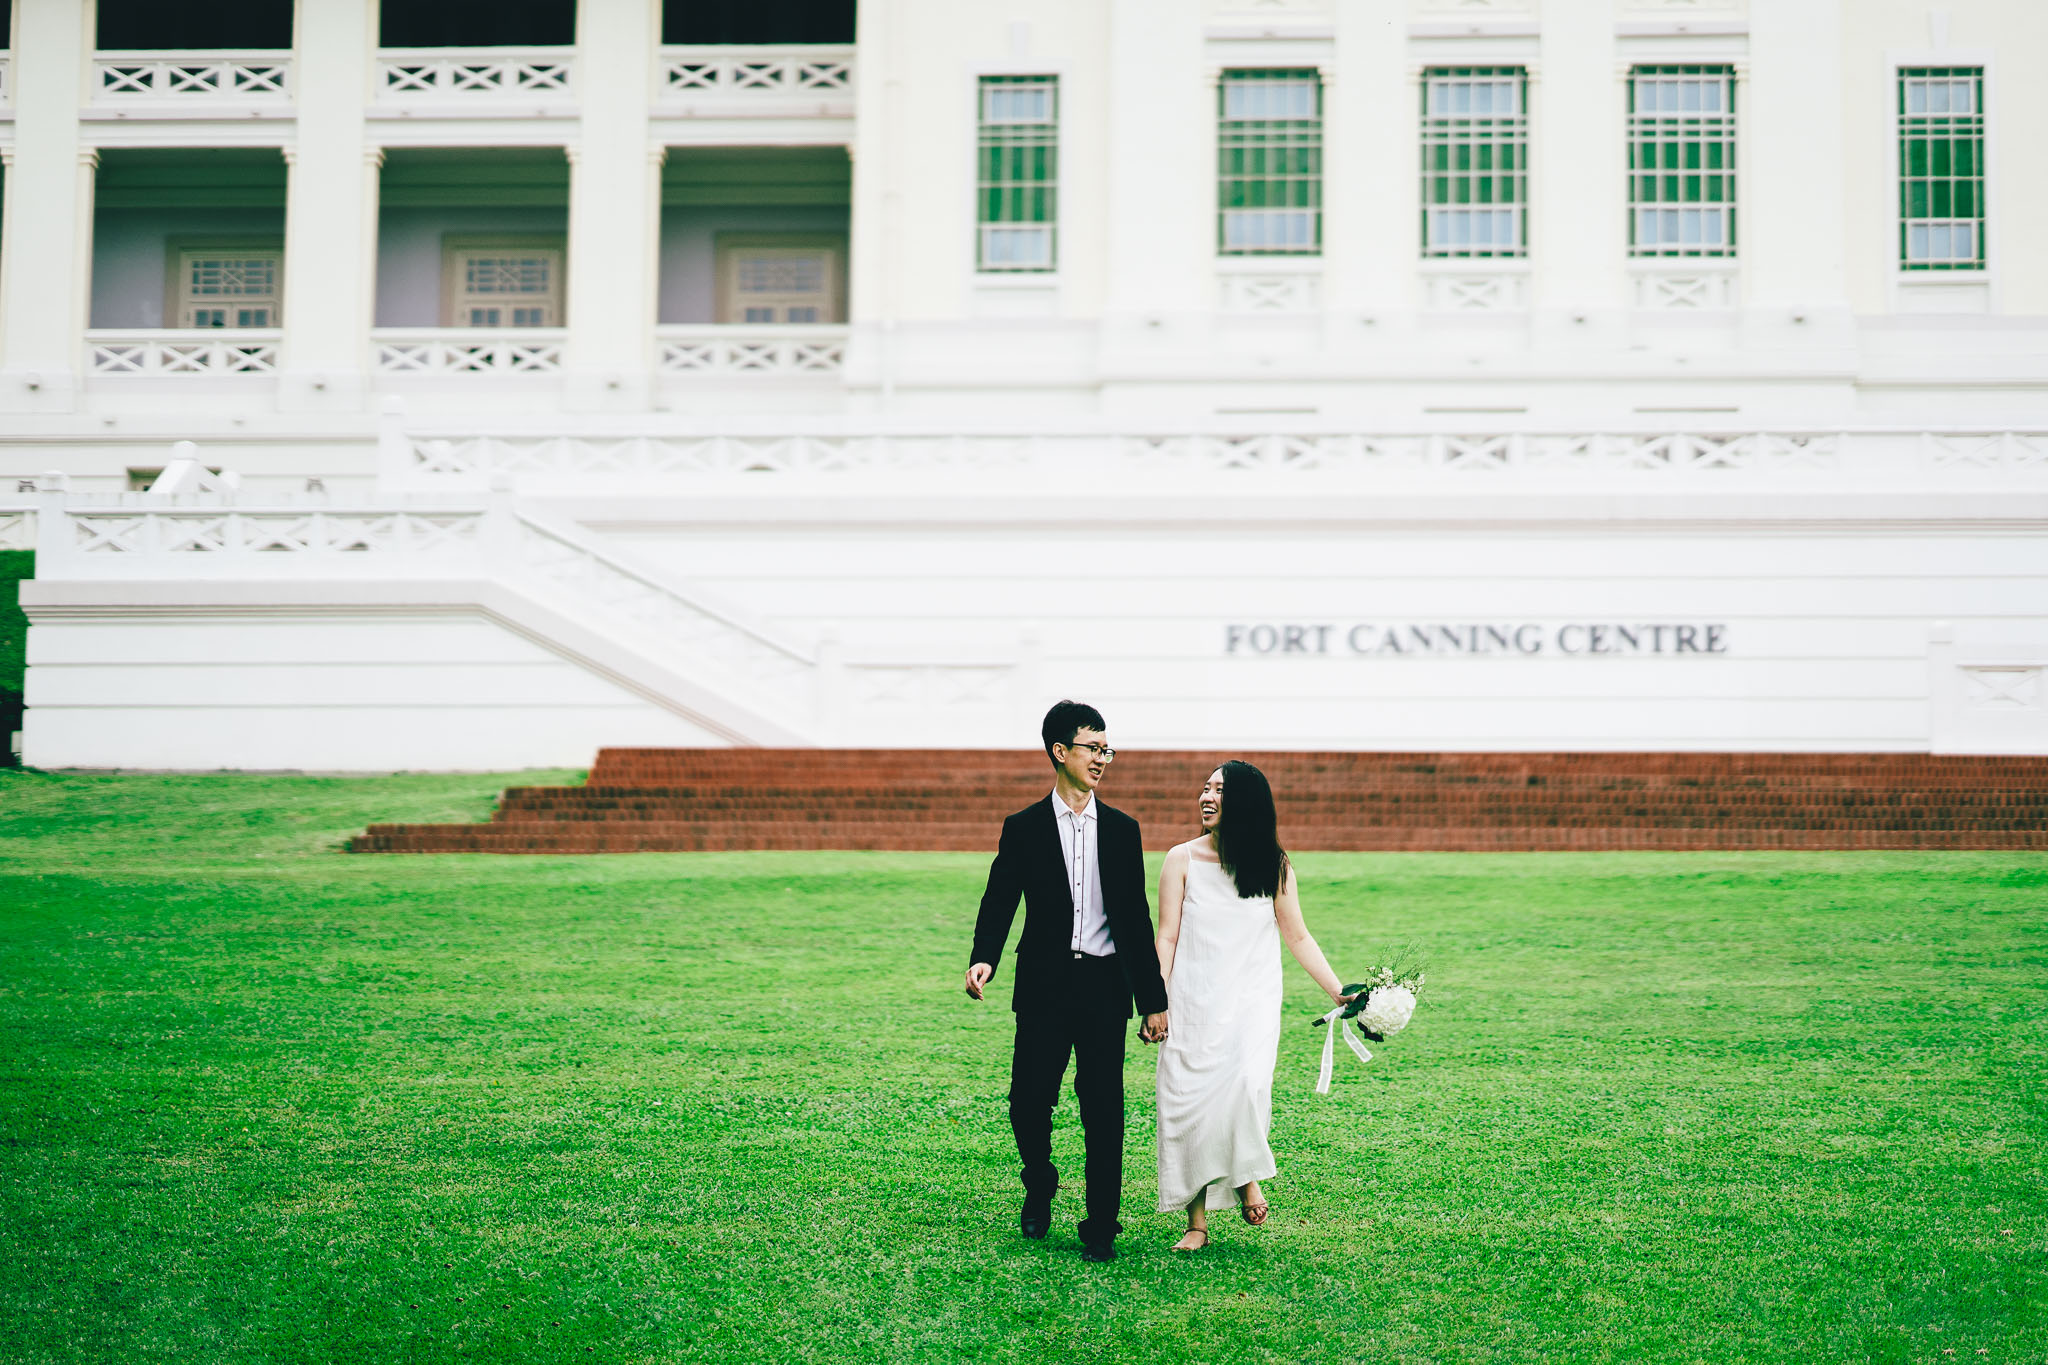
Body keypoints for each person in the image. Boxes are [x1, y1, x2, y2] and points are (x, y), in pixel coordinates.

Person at [965, 700, 1171, 1264]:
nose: (1102, 758)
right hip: (1044, 986)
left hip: (1105, 987)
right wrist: (984, 958)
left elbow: (1135, 919)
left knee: (1103, 1107)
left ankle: (1101, 1223)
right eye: (1092, 748)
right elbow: (1000, 897)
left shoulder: (1123, 830)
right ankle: (1039, 1179)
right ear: (1060, 751)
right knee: (1028, 1101)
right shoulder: (1024, 827)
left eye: (1107, 749)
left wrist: (1153, 1000)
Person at [1152, 760, 1354, 1253]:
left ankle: (1245, 1175)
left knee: (1245, 1086)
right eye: (1205, 788)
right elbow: (1167, 936)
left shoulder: (1274, 865)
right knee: (1189, 1103)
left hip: (1250, 1003)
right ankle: (1197, 1223)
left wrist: (1337, 992)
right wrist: (1156, 1002)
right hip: (1192, 1001)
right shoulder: (1180, 859)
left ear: (1245, 801)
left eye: (1219, 790)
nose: (1206, 797)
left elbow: (1298, 935)